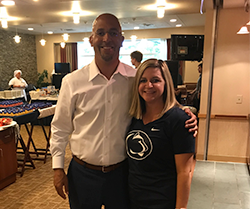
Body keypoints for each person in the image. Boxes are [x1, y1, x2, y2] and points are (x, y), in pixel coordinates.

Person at [50, 13, 198, 209]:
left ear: (121, 39)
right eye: (100, 33)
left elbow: (158, 95)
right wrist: (58, 168)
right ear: (91, 39)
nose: (106, 38)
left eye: (113, 33)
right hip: (83, 174)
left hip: (121, 175)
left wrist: (185, 111)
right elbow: (60, 128)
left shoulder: (135, 78)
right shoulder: (72, 81)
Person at [126, 59, 195, 209]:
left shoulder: (179, 120)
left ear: (166, 83)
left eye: (155, 80)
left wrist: (181, 207)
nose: (148, 85)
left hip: (162, 201)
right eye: (143, 80)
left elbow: (185, 172)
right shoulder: (133, 117)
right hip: (132, 199)